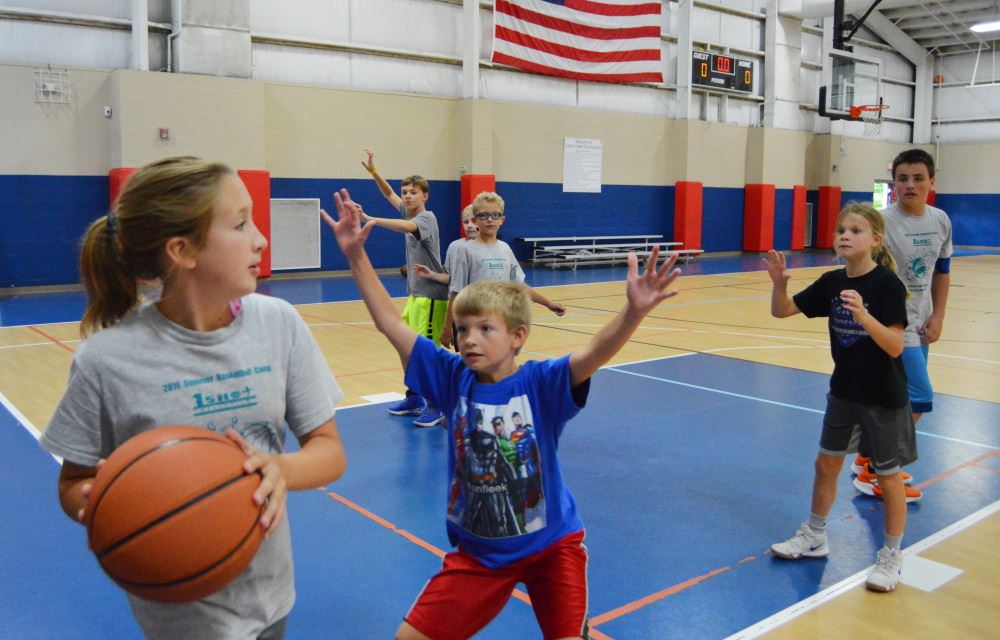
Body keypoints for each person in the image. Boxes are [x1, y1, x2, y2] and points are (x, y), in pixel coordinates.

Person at [322, 187, 681, 640]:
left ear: (518, 336)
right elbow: (390, 323)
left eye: (485, 329)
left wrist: (632, 313)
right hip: (480, 555)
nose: (469, 338)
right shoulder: (452, 378)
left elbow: (593, 353)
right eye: (463, 327)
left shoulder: (541, 384)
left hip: (553, 547)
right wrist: (356, 255)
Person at [39, 156, 348, 639]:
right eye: (241, 223)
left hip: (270, 600)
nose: (261, 239)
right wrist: (111, 503)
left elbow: (329, 451)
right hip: (180, 618)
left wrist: (281, 469)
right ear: (183, 250)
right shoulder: (108, 359)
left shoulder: (279, 324)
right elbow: (74, 483)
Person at [766, 202, 913, 593]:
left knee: (888, 476)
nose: (845, 236)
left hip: (882, 397)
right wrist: (779, 284)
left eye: (855, 230)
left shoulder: (886, 285)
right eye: (841, 230)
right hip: (843, 392)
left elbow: (896, 345)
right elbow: (782, 311)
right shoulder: (832, 281)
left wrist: (865, 317)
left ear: (876, 240)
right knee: (825, 465)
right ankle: (815, 534)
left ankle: (892, 555)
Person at [852, 148, 950, 500]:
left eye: (918, 178)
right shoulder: (879, 222)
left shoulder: (940, 221)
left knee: (894, 399)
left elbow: (942, 271)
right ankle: (878, 472)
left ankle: (866, 457)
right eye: (902, 178)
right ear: (893, 182)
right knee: (920, 398)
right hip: (894, 326)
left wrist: (937, 315)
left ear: (931, 182)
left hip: (922, 324)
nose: (910, 185)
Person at [361, 148, 450, 427]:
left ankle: (437, 405)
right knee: (406, 348)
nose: (408, 196)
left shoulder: (426, 218)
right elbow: (389, 194)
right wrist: (375, 172)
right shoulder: (407, 209)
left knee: (427, 352)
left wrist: (370, 220)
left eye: (413, 192)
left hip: (433, 297)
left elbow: (404, 226)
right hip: (416, 295)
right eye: (406, 191)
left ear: (425, 195)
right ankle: (414, 397)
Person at [438, 191, 566, 349]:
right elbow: (456, 292)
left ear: (502, 220)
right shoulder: (466, 251)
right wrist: (447, 327)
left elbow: (519, 286)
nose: (490, 219)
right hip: (474, 325)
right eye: (483, 215)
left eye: (495, 215)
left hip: (501, 323)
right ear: (475, 220)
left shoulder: (505, 249)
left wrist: (549, 304)